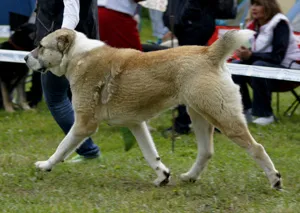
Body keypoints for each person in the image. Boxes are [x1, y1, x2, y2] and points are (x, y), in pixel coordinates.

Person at [35, 0, 100, 162]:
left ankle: (88, 150)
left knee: (56, 98)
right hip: (83, 38)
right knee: (74, 96)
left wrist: (58, 43)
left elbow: (72, 13)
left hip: (63, 44)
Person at [231, 0, 300, 126]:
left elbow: (277, 57)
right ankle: (246, 110)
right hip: (264, 68)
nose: (253, 8)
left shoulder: (280, 23)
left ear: (269, 6)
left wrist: (251, 55)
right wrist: (243, 53)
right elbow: (252, 52)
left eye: (258, 5)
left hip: (289, 71)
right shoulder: (252, 25)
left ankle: (265, 114)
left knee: (259, 67)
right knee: (235, 66)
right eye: (252, 5)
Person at [164, 0, 217, 135]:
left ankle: (183, 122)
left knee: (187, 76)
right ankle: (210, 119)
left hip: (193, 22)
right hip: (197, 21)